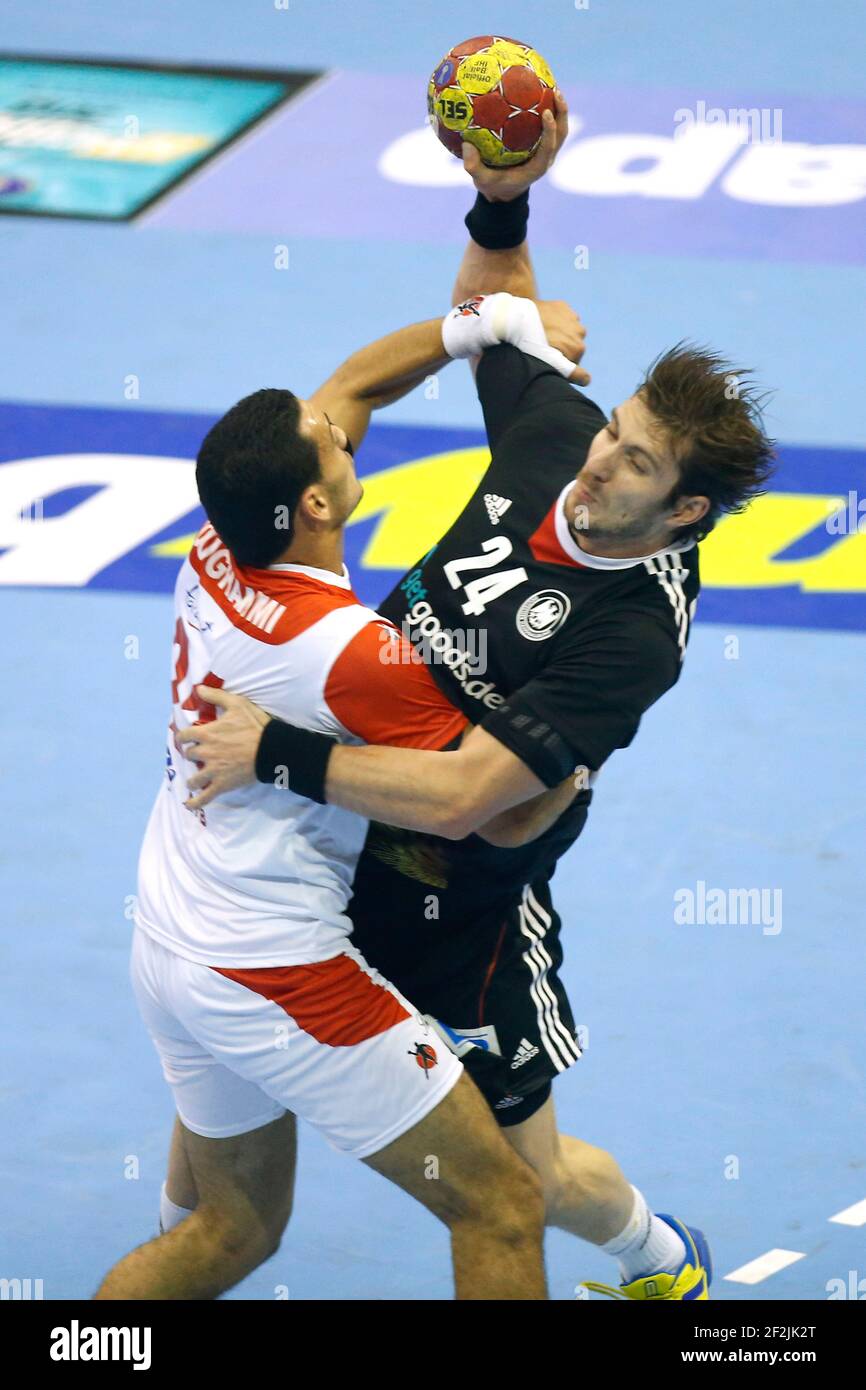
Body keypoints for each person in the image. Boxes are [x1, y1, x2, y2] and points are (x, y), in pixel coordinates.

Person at [175, 92, 775, 1302]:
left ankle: (657, 1261)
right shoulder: (561, 437)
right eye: (613, 431)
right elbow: (493, 302)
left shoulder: (631, 633)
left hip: (466, 904)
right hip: (322, 851)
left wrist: (274, 750)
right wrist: (499, 190)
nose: (600, 462)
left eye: (638, 465)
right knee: (208, 1180)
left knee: (526, 1178)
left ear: (684, 511)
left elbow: (472, 803)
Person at [95, 281, 591, 1301]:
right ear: (316, 503)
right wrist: (574, 748)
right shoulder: (352, 657)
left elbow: (356, 383)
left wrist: (488, 324)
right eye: (327, 439)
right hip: (276, 971)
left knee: (233, 1229)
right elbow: (478, 806)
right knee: (498, 1204)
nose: (338, 418)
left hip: (169, 937)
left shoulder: (218, 542)